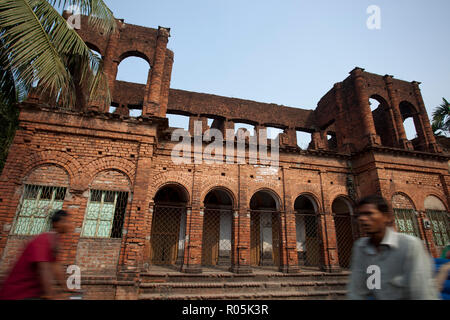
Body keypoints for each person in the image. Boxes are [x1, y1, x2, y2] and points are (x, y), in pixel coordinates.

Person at [347, 195, 439, 300]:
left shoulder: (409, 245)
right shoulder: (361, 248)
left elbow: (422, 293)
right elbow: (357, 291)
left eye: (369, 214)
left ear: (386, 217)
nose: (362, 219)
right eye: (359, 215)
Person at [0, 210, 73, 300]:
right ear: (56, 224)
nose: (70, 224)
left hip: (33, 292)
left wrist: (66, 288)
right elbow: (43, 268)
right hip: (18, 293)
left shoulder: (55, 241)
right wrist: (50, 294)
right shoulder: (43, 240)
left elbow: (56, 268)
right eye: (66, 221)